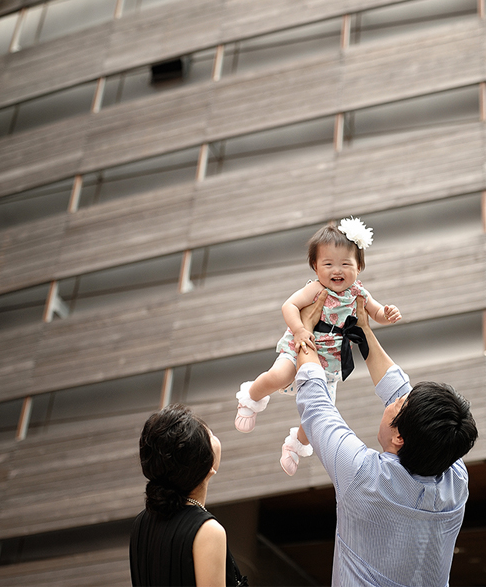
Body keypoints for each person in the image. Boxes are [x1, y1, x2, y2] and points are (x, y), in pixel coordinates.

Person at [294, 291, 478, 586]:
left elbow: (316, 407)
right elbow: (398, 390)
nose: (395, 399)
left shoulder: (363, 476)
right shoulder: (455, 479)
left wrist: (303, 332)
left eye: (399, 404)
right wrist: (363, 330)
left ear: (400, 436)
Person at [234, 217, 402, 476]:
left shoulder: (359, 293)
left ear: (359, 267)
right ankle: (252, 397)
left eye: (346, 264)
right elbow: (289, 306)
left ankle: (294, 446)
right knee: (280, 375)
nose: (337, 270)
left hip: (330, 364)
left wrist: (386, 314)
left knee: (320, 414)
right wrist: (300, 329)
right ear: (315, 266)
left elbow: (375, 312)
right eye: (328, 264)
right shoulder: (315, 289)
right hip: (300, 345)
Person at [130, 405, 247, 587]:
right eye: (210, 435)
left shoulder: (141, 522)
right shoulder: (208, 531)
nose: (215, 437)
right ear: (208, 465)